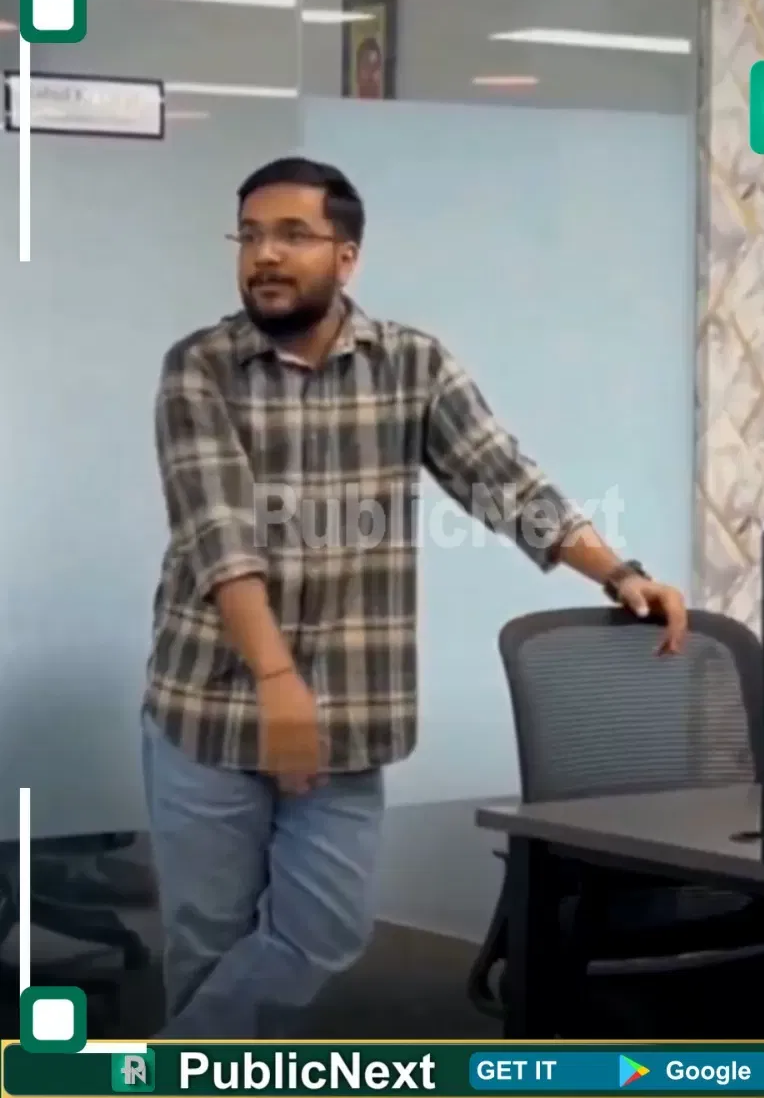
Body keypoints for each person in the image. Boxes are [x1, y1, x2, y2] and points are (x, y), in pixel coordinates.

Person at [142, 156, 688, 1038]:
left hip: (347, 714)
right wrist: (276, 681)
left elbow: (505, 482)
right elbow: (220, 535)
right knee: (210, 946)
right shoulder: (200, 369)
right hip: (209, 708)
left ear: (346, 256)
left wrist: (618, 573)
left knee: (324, 932)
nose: (264, 255)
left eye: (292, 235)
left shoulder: (411, 364)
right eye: (250, 236)